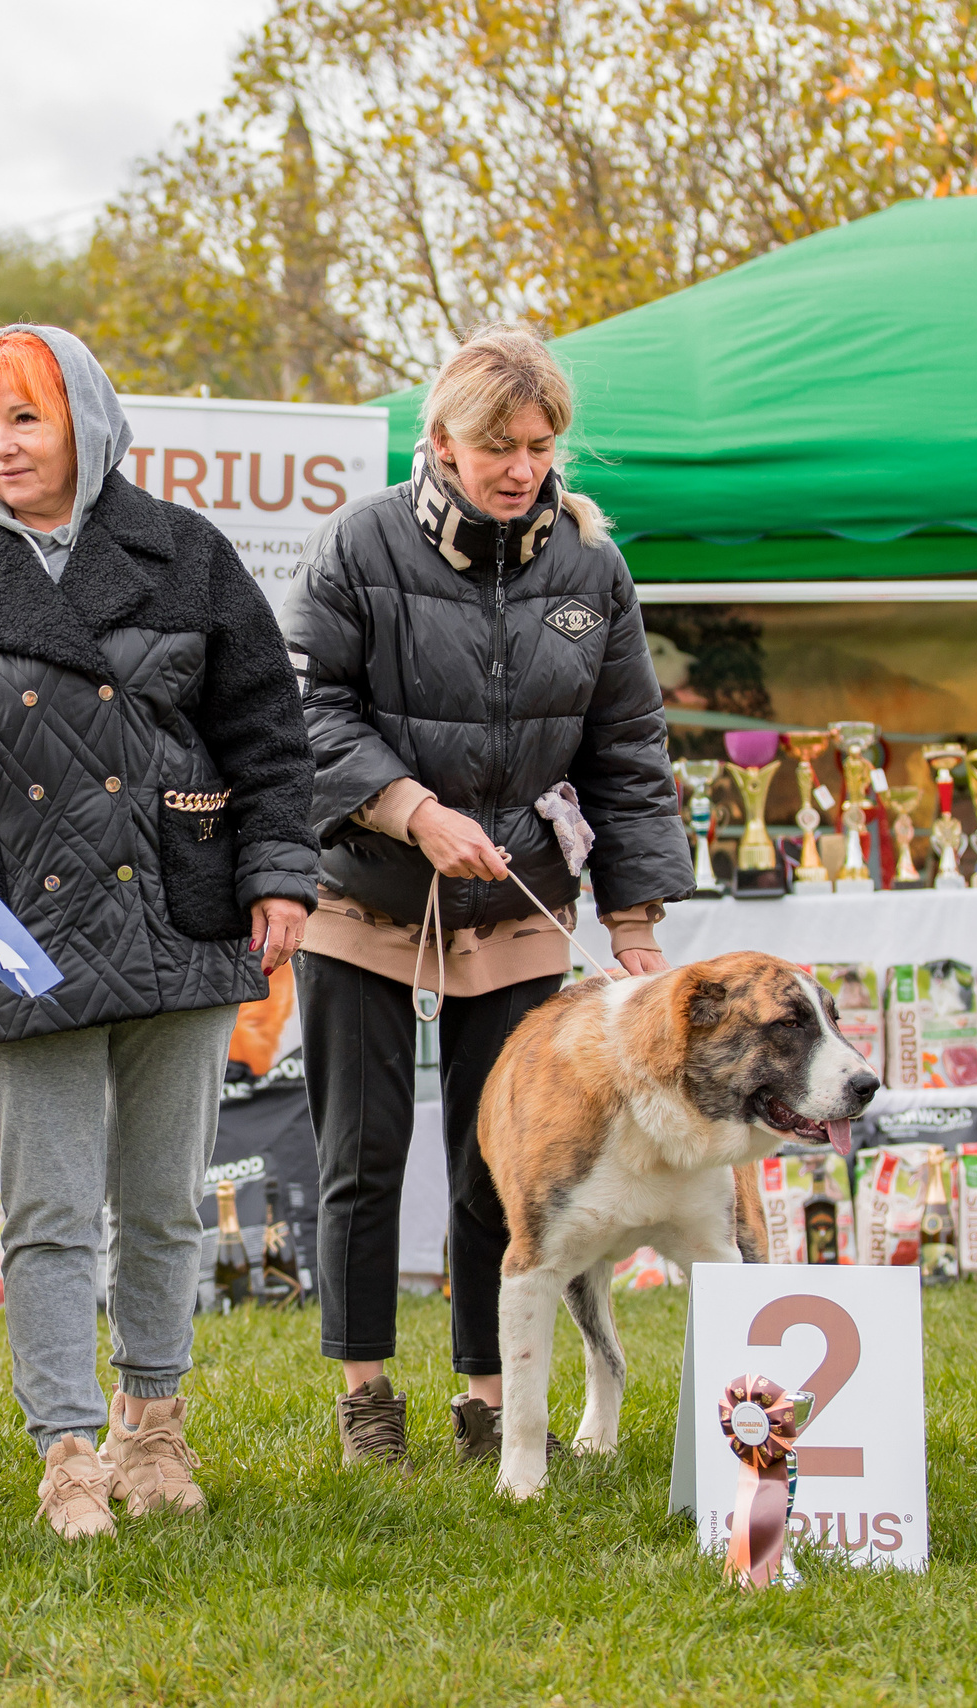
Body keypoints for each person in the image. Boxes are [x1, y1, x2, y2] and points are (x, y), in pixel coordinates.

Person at [0, 325, 316, 1542]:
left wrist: (280, 875)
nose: (1, 448)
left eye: (26, 420)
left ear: (86, 423)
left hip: (180, 914)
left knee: (161, 1201)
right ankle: (64, 1449)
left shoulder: (188, 554)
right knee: (45, 1210)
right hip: (22, 933)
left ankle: (151, 1425)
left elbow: (266, 727)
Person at [284, 324, 687, 1467]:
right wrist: (408, 807)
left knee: (497, 1156)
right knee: (359, 1154)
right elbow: (310, 714)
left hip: (518, 911)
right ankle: (366, 1396)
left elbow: (628, 747)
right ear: (440, 443)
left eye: (540, 444)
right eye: (495, 445)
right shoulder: (356, 547)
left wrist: (636, 920)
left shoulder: (592, 570)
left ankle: (484, 1396)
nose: (519, 468)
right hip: (361, 899)